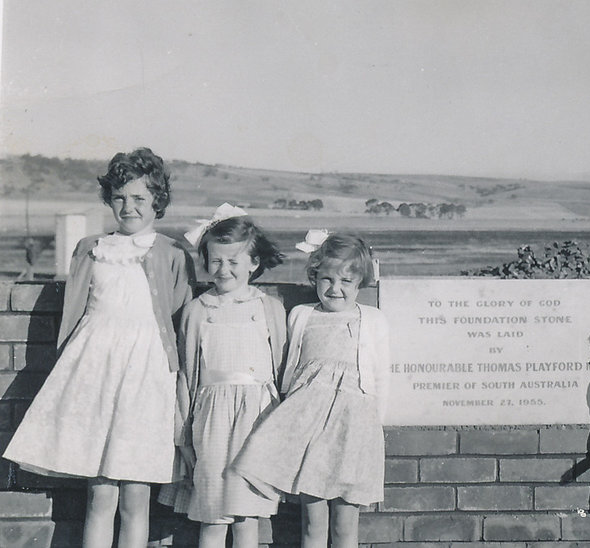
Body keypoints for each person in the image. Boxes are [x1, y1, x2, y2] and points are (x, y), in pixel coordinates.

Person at [3, 148, 196, 548]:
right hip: (97, 380)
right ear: (109, 199)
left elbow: (180, 321)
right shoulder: (91, 250)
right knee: (101, 491)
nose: (129, 207)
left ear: (157, 201)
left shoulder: (172, 253)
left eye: (140, 198)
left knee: (136, 495)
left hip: (146, 381)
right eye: (121, 197)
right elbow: (74, 316)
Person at [230, 231, 390, 548]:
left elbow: (380, 379)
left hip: (353, 434)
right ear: (314, 276)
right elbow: (290, 373)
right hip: (309, 434)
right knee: (312, 525)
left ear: (360, 283)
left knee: (345, 527)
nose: (335, 288)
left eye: (346, 281)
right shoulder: (302, 316)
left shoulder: (372, 320)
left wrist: (374, 430)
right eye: (327, 278)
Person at [158, 204, 286, 548]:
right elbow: (186, 376)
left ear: (253, 263)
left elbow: (282, 371)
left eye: (233, 261)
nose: (223, 269)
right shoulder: (197, 310)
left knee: (246, 516)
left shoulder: (269, 308)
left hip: (257, 419)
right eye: (216, 261)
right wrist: (182, 436)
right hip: (211, 420)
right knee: (212, 514)